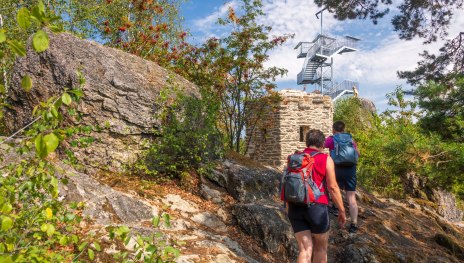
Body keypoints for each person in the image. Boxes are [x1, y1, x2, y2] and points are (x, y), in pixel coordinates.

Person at [287, 129, 346, 263]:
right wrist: (341, 210)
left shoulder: (294, 158)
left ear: (307, 142)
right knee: (320, 248)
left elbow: (288, 183)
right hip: (317, 208)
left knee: (304, 249)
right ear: (322, 144)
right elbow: (332, 187)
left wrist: (288, 207)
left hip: (295, 207)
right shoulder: (325, 159)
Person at [324, 121, 360, 233]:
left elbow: (320, 146)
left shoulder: (331, 139)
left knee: (333, 188)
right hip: (350, 169)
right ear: (344, 129)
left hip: (337, 168)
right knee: (351, 197)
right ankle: (354, 224)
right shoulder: (350, 139)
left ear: (333, 129)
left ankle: (334, 207)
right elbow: (357, 153)